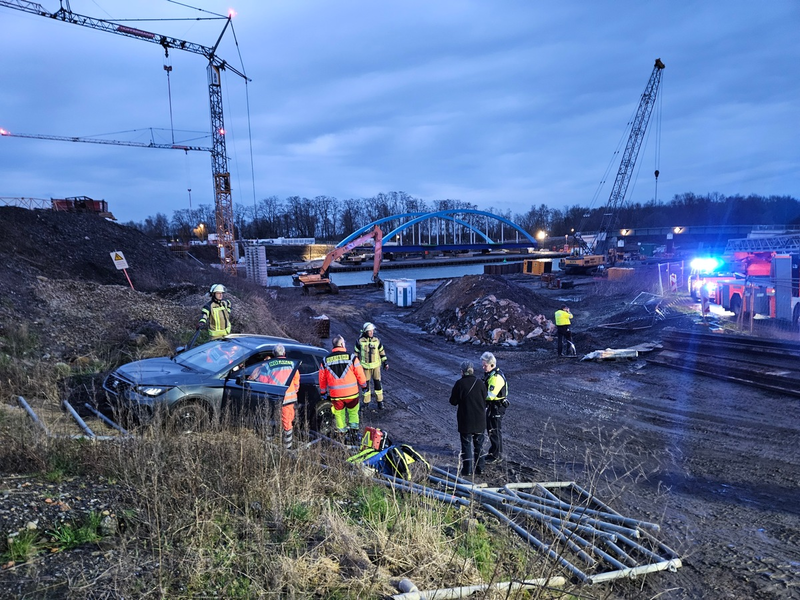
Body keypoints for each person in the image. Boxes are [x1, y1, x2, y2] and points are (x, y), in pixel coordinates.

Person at [250, 344, 300, 450]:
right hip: (288, 398)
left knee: (270, 419)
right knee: (287, 422)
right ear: (284, 353)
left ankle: (269, 444)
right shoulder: (292, 364)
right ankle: (288, 447)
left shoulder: (268, 365)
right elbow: (296, 381)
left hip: (273, 397)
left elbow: (263, 382)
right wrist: (294, 391)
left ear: (274, 354)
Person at [319, 334, 367, 443]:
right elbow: (360, 374)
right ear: (341, 344)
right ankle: (354, 435)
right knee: (353, 413)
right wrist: (364, 386)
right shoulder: (351, 357)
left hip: (336, 395)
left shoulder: (325, 360)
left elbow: (322, 378)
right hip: (352, 394)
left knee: (339, 414)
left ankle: (342, 436)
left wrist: (323, 392)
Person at [449, 360, 487, 477]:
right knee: (479, 445)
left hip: (466, 420)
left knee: (466, 445)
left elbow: (453, 402)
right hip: (480, 420)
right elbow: (485, 397)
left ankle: (468, 470)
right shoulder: (480, 383)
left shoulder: (459, 384)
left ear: (462, 371)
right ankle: (480, 468)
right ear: (472, 370)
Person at [480, 352, 508, 464]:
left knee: (495, 430)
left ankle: (496, 455)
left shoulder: (496, 377)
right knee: (492, 430)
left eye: (485, 366)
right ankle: (494, 452)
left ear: (491, 365)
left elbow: (490, 396)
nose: (483, 368)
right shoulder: (491, 374)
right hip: (494, 406)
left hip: (496, 406)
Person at [354, 322, 388, 410]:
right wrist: (355, 366)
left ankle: (380, 402)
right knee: (366, 386)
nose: (371, 332)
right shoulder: (360, 341)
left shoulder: (377, 340)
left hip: (376, 367)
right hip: (365, 367)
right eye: (369, 331)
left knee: (378, 385)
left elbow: (381, 351)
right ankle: (366, 403)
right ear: (365, 331)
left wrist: (385, 362)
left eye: (372, 331)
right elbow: (356, 354)